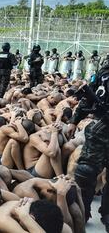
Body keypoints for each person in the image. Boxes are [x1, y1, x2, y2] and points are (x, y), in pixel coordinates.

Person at [68, 63, 109, 230]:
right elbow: (89, 95)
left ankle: (107, 213)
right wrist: (74, 120)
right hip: (102, 126)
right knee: (86, 171)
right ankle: (82, 212)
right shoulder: (105, 71)